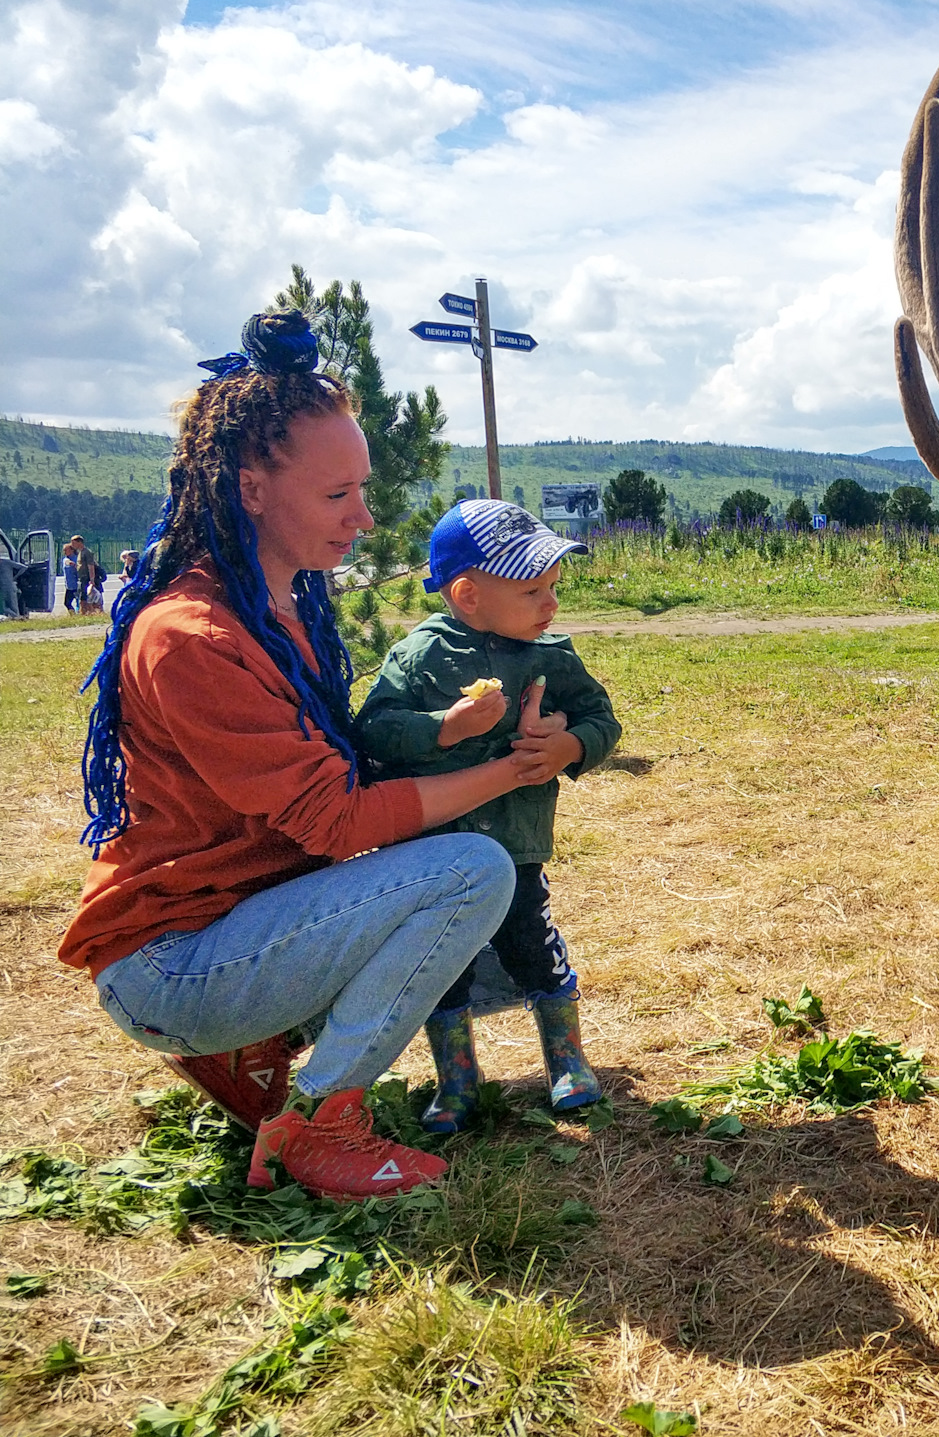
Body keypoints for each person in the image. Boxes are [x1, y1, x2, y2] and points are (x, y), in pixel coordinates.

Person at [60, 309, 555, 1202]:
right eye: (338, 496)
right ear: (252, 488)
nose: (364, 517)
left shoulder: (281, 607)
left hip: (234, 925)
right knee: (474, 872)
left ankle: (254, 1053)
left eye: (361, 490)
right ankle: (319, 1121)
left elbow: (352, 773)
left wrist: (488, 738)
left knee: (450, 864)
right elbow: (337, 820)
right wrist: (508, 773)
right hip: (173, 964)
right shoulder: (192, 636)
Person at [356, 500, 621, 1132]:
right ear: (468, 594)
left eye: (554, 587)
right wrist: (441, 729)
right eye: (533, 590)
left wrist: (570, 745)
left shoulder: (551, 656)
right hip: (437, 850)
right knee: (442, 964)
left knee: (533, 944)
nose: (550, 604)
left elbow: (601, 718)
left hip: (517, 842)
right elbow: (373, 731)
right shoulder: (422, 655)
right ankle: (458, 1078)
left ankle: (566, 1058)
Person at [61, 538, 80, 612]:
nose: (64, 552)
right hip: (69, 585)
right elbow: (67, 562)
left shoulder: (76, 558)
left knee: (79, 602)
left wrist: (76, 566)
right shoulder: (65, 559)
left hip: (76, 585)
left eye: (66, 550)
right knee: (67, 603)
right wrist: (70, 563)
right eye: (64, 550)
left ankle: (79, 614)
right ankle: (73, 615)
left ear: (72, 550)